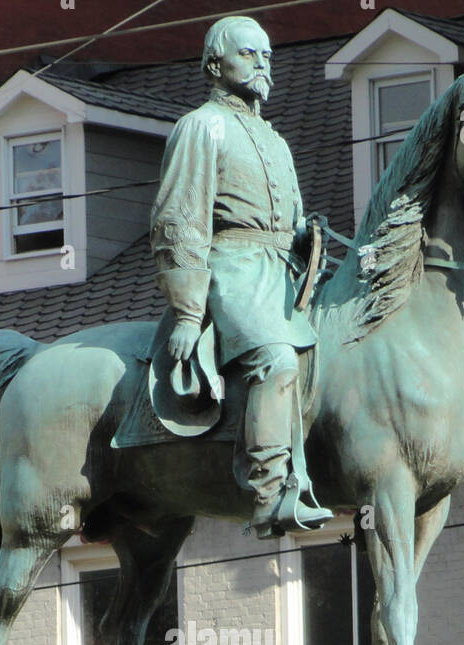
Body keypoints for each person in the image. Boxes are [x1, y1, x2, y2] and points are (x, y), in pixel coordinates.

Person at [150, 14, 333, 537]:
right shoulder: (201, 126)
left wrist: (307, 239)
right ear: (215, 63)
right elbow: (178, 222)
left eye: (267, 55)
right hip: (233, 269)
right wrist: (188, 309)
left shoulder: (274, 139)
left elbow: (290, 216)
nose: (262, 64)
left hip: (285, 273)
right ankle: (270, 492)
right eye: (249, 54)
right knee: (275, 361)